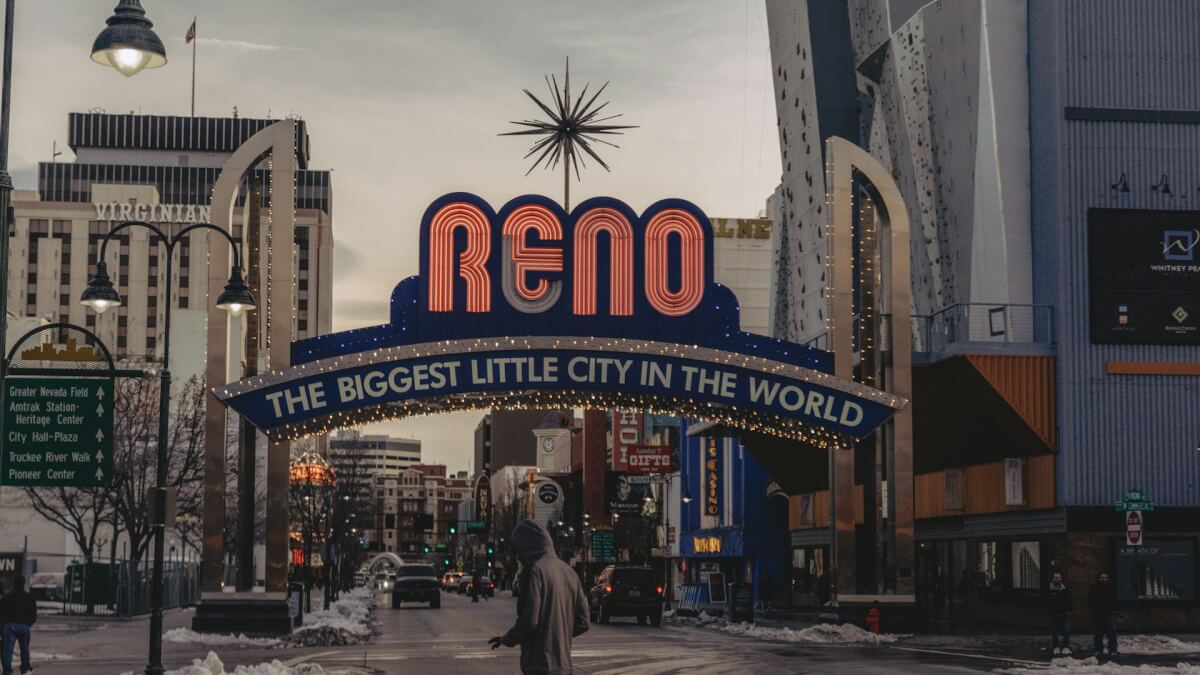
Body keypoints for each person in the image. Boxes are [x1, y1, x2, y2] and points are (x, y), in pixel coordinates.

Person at [489, 520, 589, 674]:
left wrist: (508, 638)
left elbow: (529, 621)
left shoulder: (534, 570)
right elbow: (583, 622)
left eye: (518, 548)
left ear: (525, 545)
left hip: (540, 665)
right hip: (565, 666)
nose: (518, 555)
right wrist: (558, 636)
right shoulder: (569, 572)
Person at [1, 575, 36, 675]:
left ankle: (7, 670)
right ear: (23, 584)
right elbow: (33, 615)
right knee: (24, 649)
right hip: (24, 625)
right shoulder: (29, 598)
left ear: (14, 584)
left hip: (10, 625)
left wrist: (3, 625)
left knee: (8, 650)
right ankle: (25, 668)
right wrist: (28, 624)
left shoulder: (6, 597)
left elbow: (1, 613)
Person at [1088, 572, 1119, 658]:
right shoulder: (1093, 587)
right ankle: (1098, 650)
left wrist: (1115, 610)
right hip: (1098, 614)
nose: (1104, 579)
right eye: (1102, 577)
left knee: (1112, 633)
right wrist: (1093, 612)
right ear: (1099, 578)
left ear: (1108, 579)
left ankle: (1113, 650)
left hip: (1109, 613)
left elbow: (1114, 600)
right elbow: (1090, 600)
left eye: (1105, 578)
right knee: (1098, 633)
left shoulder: (1111, 587)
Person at [1047, 571, 1072, 656]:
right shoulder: (1049, 590)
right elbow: (1046, 602)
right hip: (1054, 613)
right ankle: (1056, 647)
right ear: (1053, 578)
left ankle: (1066, 647)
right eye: (1056, 577)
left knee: (1067, 631)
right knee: (1054, 632)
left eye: (1060, 577)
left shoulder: (1065, 589)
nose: (1058, 579)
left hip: (1065, 613)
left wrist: (1068, 610)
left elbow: (1069, 600)